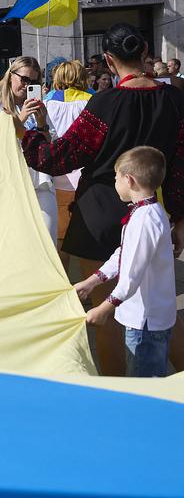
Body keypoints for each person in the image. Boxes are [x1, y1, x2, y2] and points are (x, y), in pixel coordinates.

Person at [19, 24, 184, 376]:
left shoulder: (106, 103)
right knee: (160, 307)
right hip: (150, 210)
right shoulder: (175, 99)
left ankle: (118, 390)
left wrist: (30, 134)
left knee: (106, 317)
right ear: (144, 52)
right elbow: (180, 166)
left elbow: (58, 159)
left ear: (109, 60)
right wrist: (180, 217)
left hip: (99, 213)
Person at [73, 147, 175, 377]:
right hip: (148, 318)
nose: (115, 182)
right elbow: (124, 253)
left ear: (129, 180)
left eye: (116, 177)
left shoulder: (144, 220)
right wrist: (92, 281)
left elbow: (131, 277)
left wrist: (104, 308)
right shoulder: (148, 212)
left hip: (145, 322)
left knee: (144, 383)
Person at [0, 56, 57, 243]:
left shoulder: (39, 109)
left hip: (40, 183)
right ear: (10, 76)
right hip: (7, 185)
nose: (27, 86)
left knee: (48, 242)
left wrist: (42, 123)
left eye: (33, 82)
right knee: (14, 244)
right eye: (24, 79)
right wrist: (21, 118)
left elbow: (51, 146)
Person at [43, 61, 92, 251]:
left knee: (60, 237)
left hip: (57, 175)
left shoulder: (47, 102)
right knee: (86, 238)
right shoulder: (93, 100)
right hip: (86, 177)